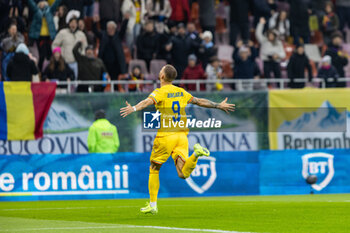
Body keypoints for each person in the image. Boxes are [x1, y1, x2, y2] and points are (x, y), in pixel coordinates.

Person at [120, 64, 235, 214]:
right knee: (183, 173)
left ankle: (153, 205)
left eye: (160, 70)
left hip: (166, 135)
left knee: (154, 168)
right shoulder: (180, 92)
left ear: (162, 76)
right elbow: (199, 101)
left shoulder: (160, 92)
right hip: (182, 135)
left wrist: (134, 108)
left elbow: (147, 102)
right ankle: (196, 154)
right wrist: (218, 105)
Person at [52, 10, 88, 79]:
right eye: (71, 22)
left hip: (77, 63)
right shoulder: (62, 33)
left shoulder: (81, 35)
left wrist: (82, 55)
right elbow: (55, 45)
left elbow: (85, 47)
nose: (73, 24)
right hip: (64, 63)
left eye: (75, 23)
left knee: (75, 83)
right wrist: (59, 55)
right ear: (69, 23)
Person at [27, 0, 62, 70]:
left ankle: (48, 70)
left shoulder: (50, 11)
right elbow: (31, 3)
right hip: (40, 37)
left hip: (49, 36)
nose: (42, 4)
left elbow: (56, 3)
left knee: (49, 56)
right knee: (42, 55)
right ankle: (39, 70)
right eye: (40, 3)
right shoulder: (36, 11)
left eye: (44, 3)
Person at [93, 19, 128, 87]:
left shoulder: (118, 36)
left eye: (112, 28)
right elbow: (95, 31)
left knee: (115, 83)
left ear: (115, 29)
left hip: (116, 64)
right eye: (108, 28)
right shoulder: (103, 35)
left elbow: (123, 29)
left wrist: (126, 20)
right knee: (103, 83)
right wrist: (94, 23)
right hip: (105, 64)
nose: (110, 30)